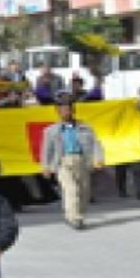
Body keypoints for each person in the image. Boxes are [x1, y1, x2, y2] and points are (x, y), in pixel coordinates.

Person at [40, 97, 104, 230]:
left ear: (73, 110)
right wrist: (45, 166)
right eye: (62, 109)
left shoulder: (85, 127)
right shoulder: (51, 131)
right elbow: (46, 150)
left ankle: (77, 213)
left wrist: (98, 158)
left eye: (68, 109)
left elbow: (96, 143)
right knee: (71, 190)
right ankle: (74, 218)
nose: (65, 112)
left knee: (83, 192)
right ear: (57, 112)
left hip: (82, 160)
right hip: (63, 162)